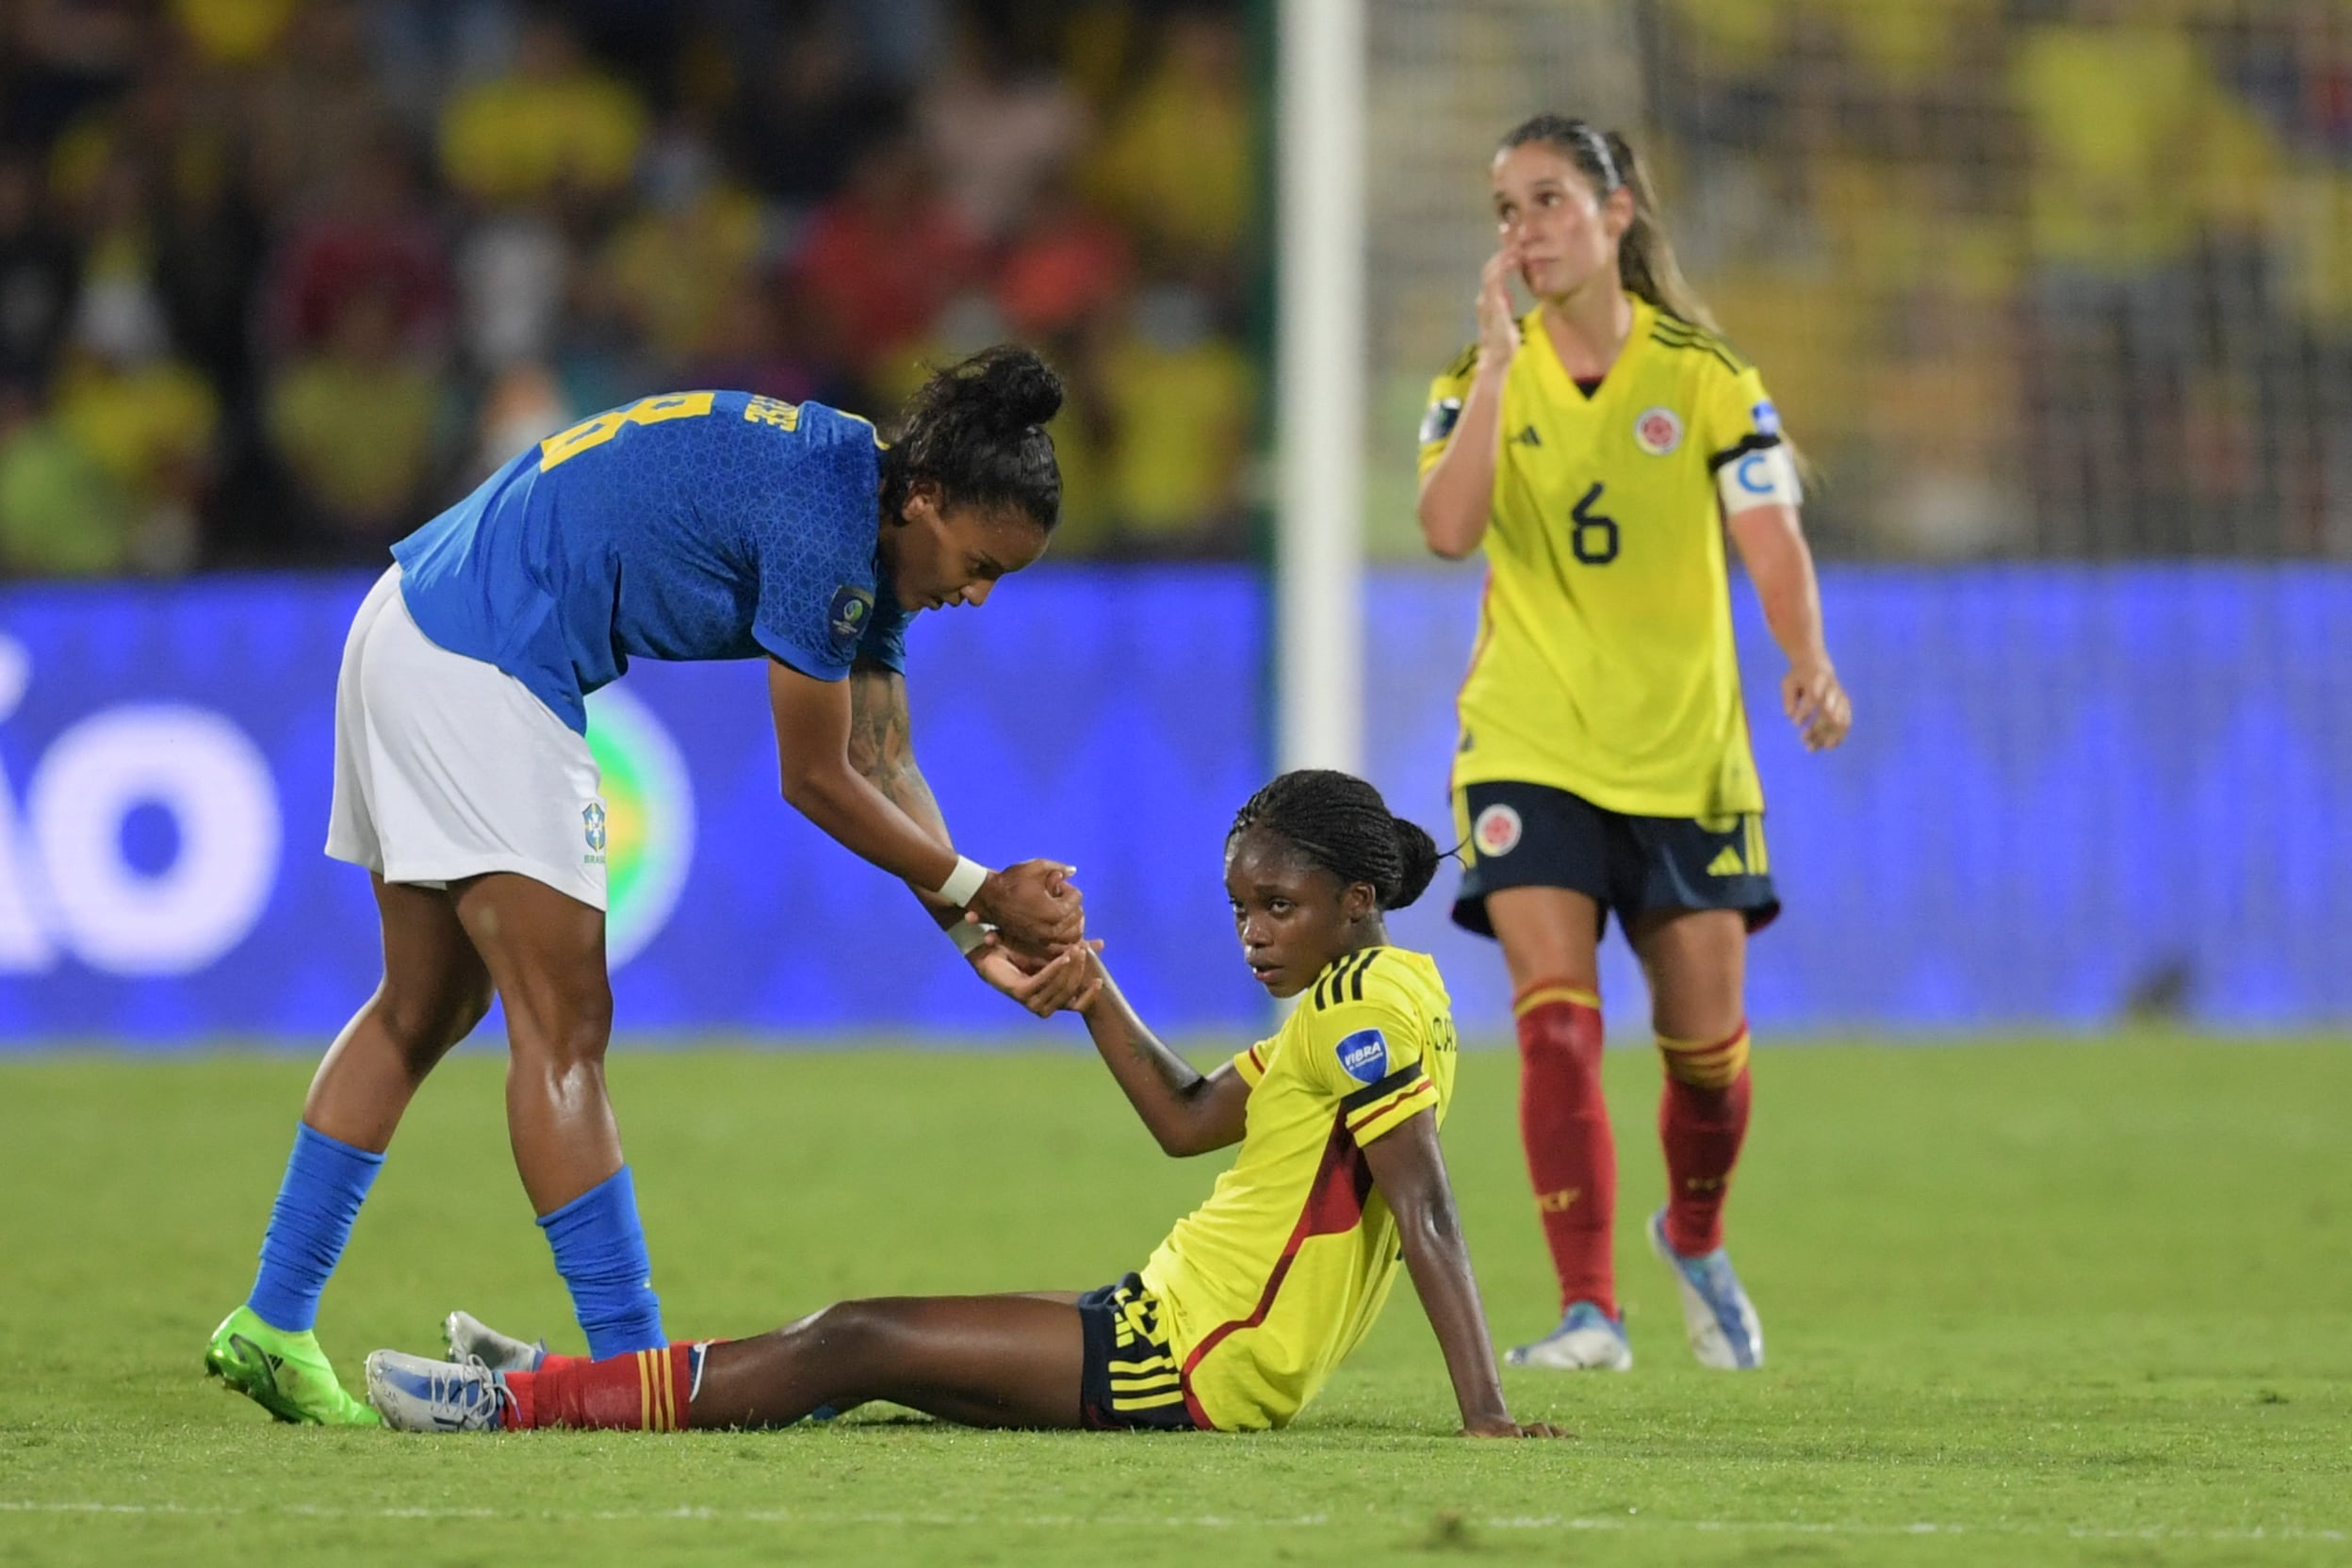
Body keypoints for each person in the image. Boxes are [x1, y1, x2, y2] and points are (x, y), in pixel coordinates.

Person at [205, 347, 1086, 1426]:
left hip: (412, 618)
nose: (982, 594)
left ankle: (274, 1320)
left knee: (427, 1003)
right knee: (567, 1022)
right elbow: (816, 776)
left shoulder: (863, 502)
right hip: (483, 655)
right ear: (927, 498)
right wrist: (981, 887)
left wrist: (968, 923)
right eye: (981, 559)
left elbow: (887, 759)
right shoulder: (827, 526)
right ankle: (637, 1365)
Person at [360, 771, 1563, 1439]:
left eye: (1277, 907)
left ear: (1357, 898)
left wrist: (1487, 1416)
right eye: (1239, 905)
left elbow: (1430, 1211)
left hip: (1190, 1358)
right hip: (1165, 1311)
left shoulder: (1360, 1006)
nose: (1251, 931)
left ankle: (519, 1403)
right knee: (856, 1354)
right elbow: (1190, 1117)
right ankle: (571, 1383)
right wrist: (1096, 994)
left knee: (856, 1337)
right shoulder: (1366, 996)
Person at [1415, 116, 1853, 1373]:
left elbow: (1771, 535)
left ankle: (1695, 1237)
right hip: (1527, 736)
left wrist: (1806, 656)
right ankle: (1590, 1310)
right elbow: (1449, 531)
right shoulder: (1470, 375)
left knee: (1706, 1061)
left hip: (1684, 751)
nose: (1524, 231)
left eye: (1547, 202)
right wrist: (1498, 375)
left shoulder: (1708, 375)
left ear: (1615, 216)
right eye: (1505, 210)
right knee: (1556, 1022)